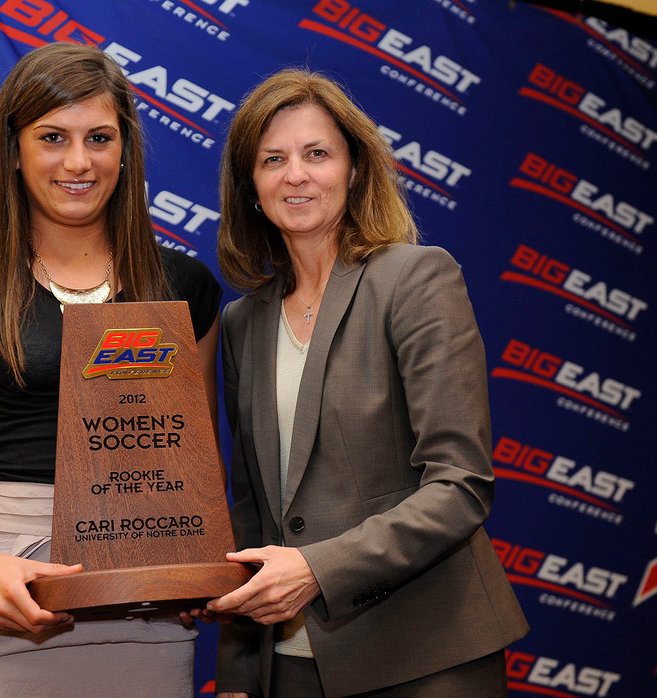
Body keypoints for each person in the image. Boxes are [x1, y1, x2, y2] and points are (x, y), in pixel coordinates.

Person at [0, 42, 221, 698]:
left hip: (140, 612)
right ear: (14, 150)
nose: (77, 161)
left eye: (99, 138)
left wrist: (194, 563)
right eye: (52, 137)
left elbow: (194, 462)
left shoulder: (184, 286)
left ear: (126, 150)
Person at [205, 68, 529, 697]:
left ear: (354, 171)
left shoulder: (415, 279)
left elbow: (461, 484)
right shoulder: (243, 322)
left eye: (316, 154)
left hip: (428, 655)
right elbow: (253, 515)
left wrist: (316, 570)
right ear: (251, 187)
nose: (295, 174)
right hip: (289, 663)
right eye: (272, 159)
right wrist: (240, 673)